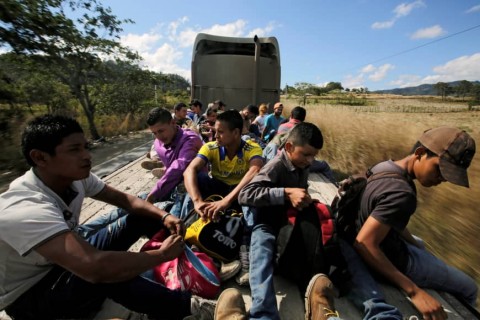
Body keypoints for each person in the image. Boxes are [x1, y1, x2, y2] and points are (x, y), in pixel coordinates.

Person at [0, 114, 223, 320]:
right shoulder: (26, 206)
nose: (86, 156)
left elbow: (128, 201)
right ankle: (192, 309)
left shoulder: (74, 178)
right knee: (109, 272)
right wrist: (161, 254)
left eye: (85, 147)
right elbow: (95, 268)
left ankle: (193, 263)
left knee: (143, 215)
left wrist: (164, 217)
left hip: (60, 262)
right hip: (33, 295)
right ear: (40, 157)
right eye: (75, 149)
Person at [238, 122, 402, 320]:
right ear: (289, 147)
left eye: (314, 156)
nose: (310, 161)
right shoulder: (275, 166)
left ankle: (379, 310)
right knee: (261, 251)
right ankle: (264, 314)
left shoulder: (301, 163)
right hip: (271, 224)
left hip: (293, 222)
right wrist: (285, 193)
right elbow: (246, 194)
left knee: (342, 245)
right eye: (306, 154)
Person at [354, 126, 477, 320]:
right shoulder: (402, 193)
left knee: (420, 243)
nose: (443, 179)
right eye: (439, 169)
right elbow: (365, 243)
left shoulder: (384, 167)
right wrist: (414, 292)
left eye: (448, 175)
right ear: (420, 153)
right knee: (469, 288)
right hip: (392, 261)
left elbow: (386, 218)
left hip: (385, 241)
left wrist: (414, 243)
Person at [183, 109, 264, 221]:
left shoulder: (252, 148)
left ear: (235, 133)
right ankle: (186, 224)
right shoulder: (210, 147)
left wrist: (226, 201)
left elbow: (255, 170)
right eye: (215, 131)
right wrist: (197, 201)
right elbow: (189, 170)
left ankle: (247, 232)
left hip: (239, 191)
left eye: (220, 132)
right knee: (198, 179)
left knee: (252, 192)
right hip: (218, 187)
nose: (215, 135)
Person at [145, 107, 203, 204]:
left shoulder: (190, 139)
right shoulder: (157, 143)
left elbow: (179, 166)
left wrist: (155, 192)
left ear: (173, 123)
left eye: (161, 131)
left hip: (193, 190)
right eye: (154, 133)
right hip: (170, 188)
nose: (158, 136)